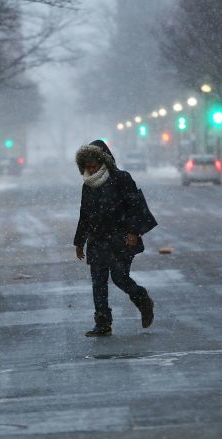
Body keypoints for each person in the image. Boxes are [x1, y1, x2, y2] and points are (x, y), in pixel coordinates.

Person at [74, 139, 154, 337]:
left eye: (94, 166)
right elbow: (84, 215)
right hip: (97, 240)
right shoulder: (88, 185)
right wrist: (79, 242)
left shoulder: (121, 179)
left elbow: (136, 207)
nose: (91, 171)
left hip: (121, 238)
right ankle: (102, 323)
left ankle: (142, 299)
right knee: (98, 283)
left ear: (104, 162)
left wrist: (134, 232)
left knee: (119, 278)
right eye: (88, 167)